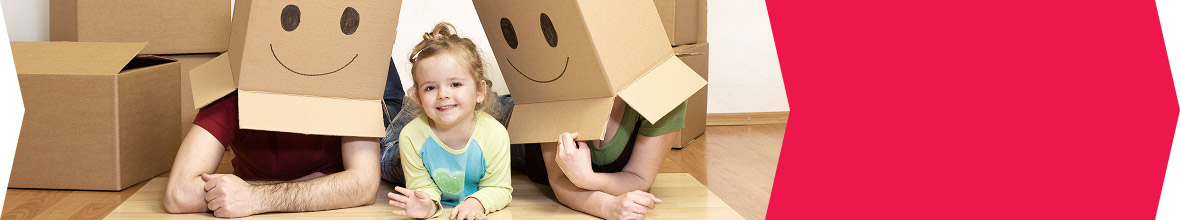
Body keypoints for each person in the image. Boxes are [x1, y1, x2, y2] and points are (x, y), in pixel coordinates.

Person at [160, 61, 402, 218]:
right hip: (319, 202)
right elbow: (178, 193)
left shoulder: (349, 78)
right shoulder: (232, 90)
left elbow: (364, 184)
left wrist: (254, 196)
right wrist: (311, 188)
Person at [387, 22, 513, 220]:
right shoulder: (411, 136)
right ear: (418, 98)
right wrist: (427, 204)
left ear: (480, 91)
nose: (443, 94)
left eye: (455, 84)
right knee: (385, 161)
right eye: (430, 88)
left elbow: (499, 187)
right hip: (394, 149)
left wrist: (477, 203)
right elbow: (421, 186)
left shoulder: (495, 134)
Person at [529, 100, 687, 220]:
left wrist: (587, 179)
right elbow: (559, 179)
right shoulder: (557, 83)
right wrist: (608, 206)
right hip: (526, 151)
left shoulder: (666, 93)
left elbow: (640, 178)